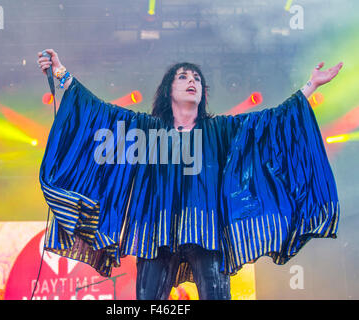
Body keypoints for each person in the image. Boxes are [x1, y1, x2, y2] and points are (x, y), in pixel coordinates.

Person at [37, 49, 342, 300]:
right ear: (168, 89)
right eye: (182, 76)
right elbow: (99, 113)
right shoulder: (148, 129)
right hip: (155, 232)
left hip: (206, 231)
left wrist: (310, 86)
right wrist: (63, 74)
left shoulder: (220, 131)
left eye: (196, 77)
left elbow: (271, 122)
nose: (191, 80)